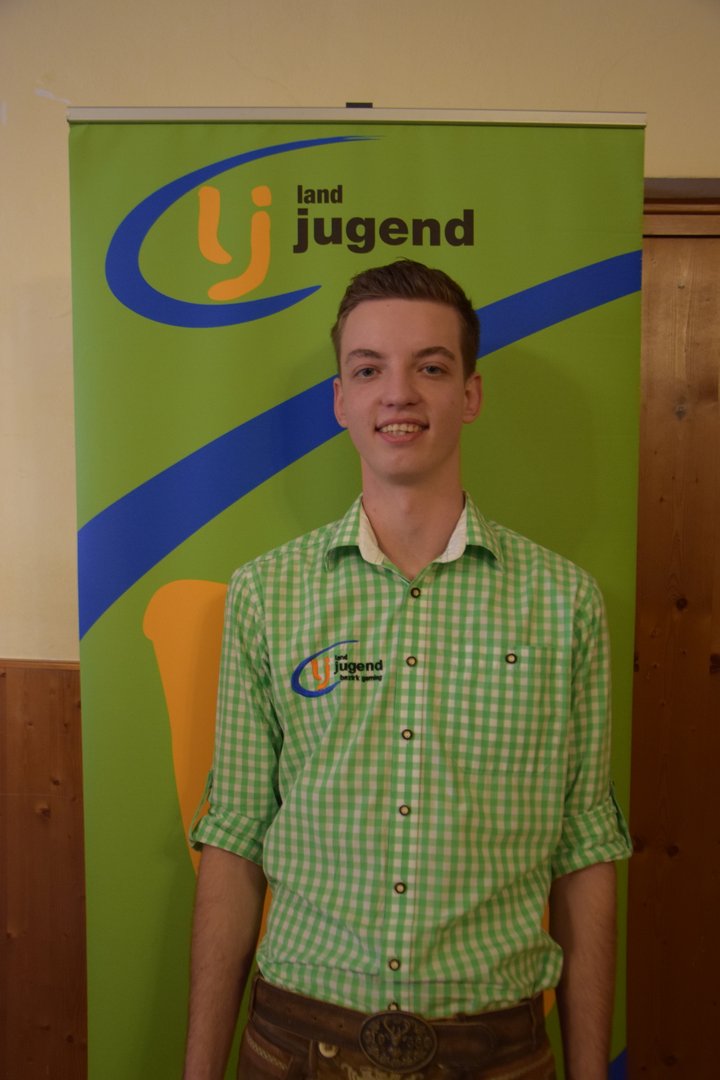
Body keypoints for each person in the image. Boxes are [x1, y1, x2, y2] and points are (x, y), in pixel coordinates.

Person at [183, 259, 633, 1080]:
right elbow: (236, 841)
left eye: (430, 367)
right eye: (369, 370)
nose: (398, 394)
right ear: (340, 399)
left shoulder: (566, 604)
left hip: (499, 1053)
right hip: (294, 1047)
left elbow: (584, 850)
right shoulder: (265, 594)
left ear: (470, 394)